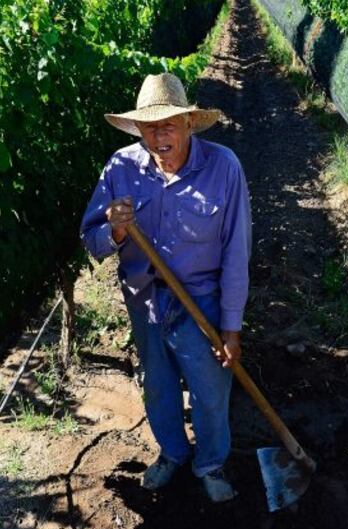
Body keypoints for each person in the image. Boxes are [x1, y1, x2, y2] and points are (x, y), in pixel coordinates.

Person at [79, 73, 252, 503]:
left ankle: (210, 463)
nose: (159, 137)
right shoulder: (120, 168)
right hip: (145, 301)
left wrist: (231, 328)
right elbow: (92, 240)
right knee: (157, 385)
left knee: (210, 390)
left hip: (202, 302)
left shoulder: (223, 168)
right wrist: (116, 231)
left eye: (168, 125)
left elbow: (236, 252)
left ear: (189, 123)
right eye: (149, 127)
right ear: (138, 129)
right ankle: (172, 453)